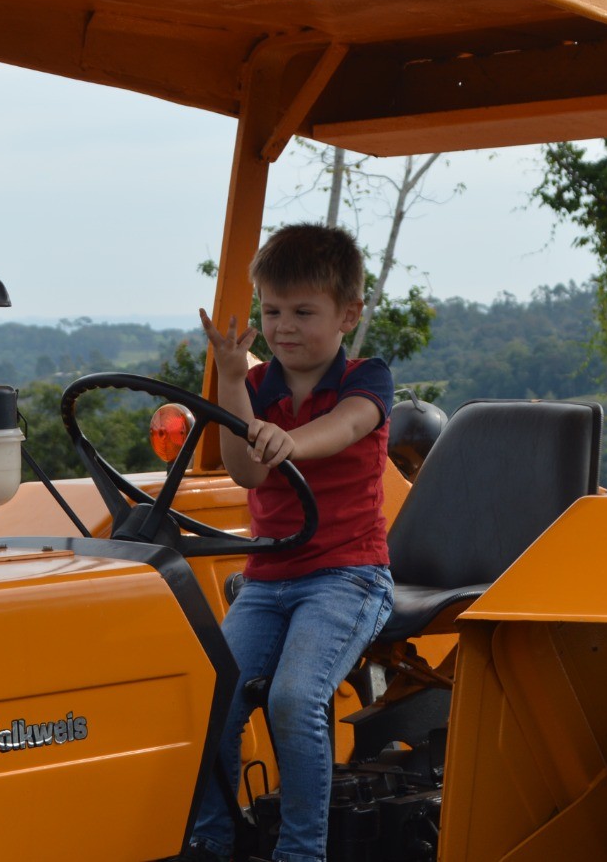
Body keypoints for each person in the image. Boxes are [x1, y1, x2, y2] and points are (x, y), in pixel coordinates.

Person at [185, 223, 395, 862]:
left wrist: (288, 442)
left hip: (347, 576)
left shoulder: (368, 378)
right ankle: (209, 839)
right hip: (268, 578)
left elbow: (343, 426)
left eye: (304, 311)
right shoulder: (255, 391)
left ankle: (302, 852)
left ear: (347, 314)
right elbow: (245, 470)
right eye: (272, 311)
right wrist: (228, 380)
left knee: (294, 696)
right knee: (213, 693)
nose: (284, 326)